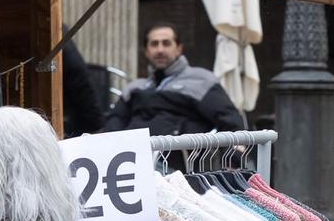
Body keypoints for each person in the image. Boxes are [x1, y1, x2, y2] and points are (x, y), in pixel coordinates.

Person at [101, 23, 246, 138]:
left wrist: (235, 157)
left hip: (177, 164)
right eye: (154, 44)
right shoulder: (135, 87)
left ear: (179, 48)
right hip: (132, 161)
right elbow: (115, 121)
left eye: (166, 43)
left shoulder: (201, 79)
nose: (160, 50)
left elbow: (230, 120)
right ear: (146, 51)